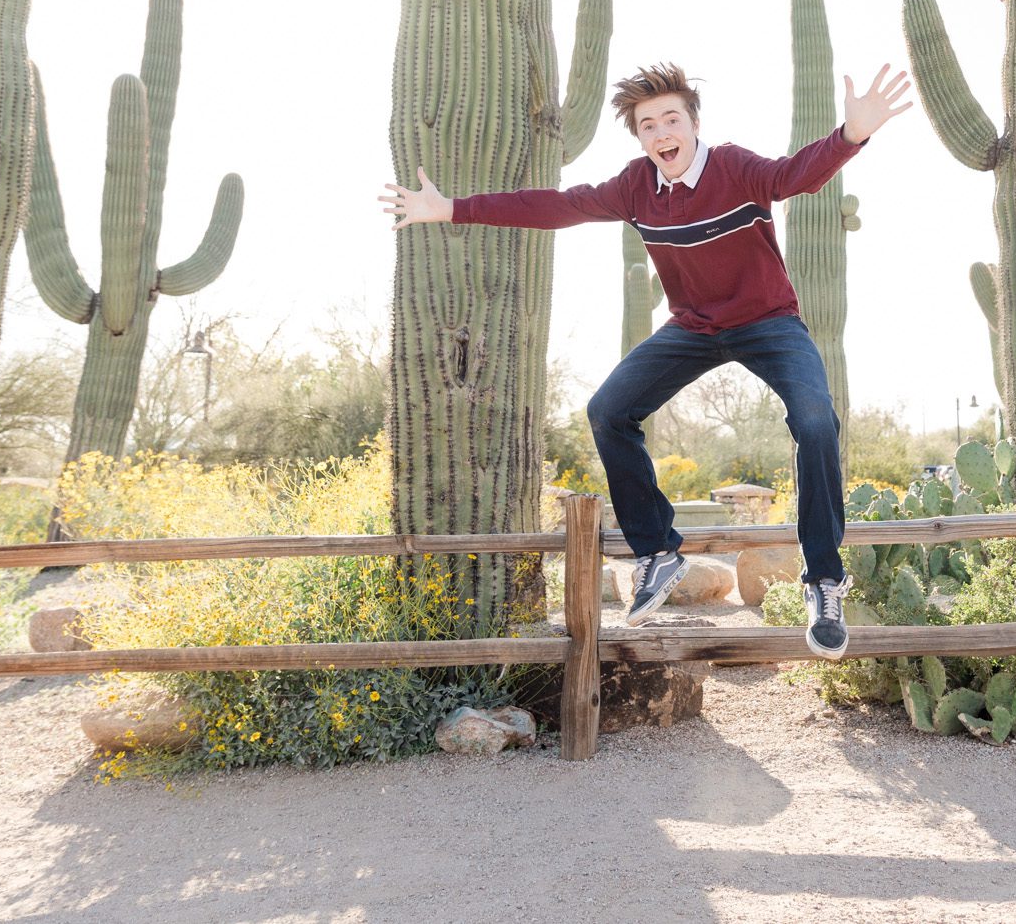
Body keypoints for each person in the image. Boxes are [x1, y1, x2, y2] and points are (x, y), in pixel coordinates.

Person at [380, 62, 912, 658]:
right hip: (693, 327)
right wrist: (452, 209)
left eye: (672, 120)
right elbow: (558, 205)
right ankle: (658, 553)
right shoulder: (636, 185)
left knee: (815, 420)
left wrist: (850, 136)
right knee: (609, 410)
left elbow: (795, 175)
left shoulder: (735, 167)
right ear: (639, 137)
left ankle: (823, 580)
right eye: (648, 125)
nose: (662, 133)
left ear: (693, 123)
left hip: (768, 323)